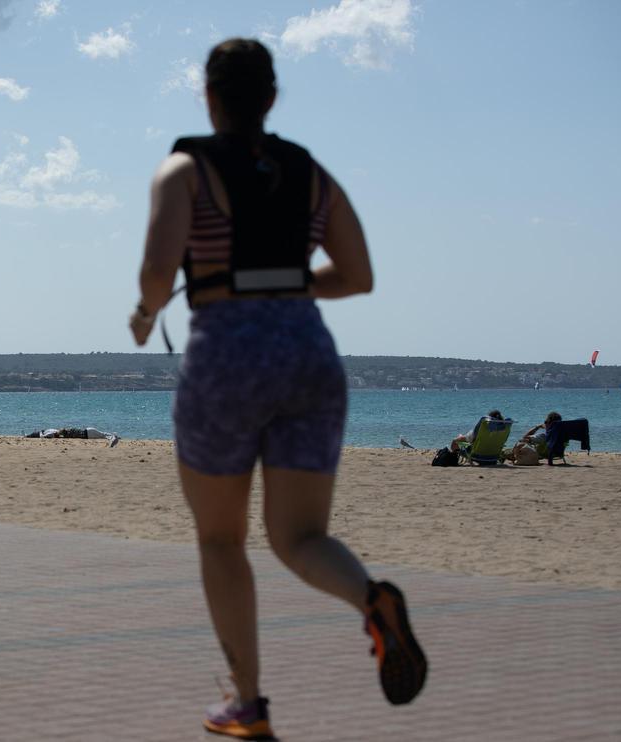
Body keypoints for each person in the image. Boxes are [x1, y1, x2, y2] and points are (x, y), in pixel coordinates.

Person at [129, 38, 425, 739]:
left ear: (209, 97)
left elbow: (157, 273)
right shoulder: (310, 175)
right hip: (308, 355)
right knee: (301, 536)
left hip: (227, 358)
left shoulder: (184, 169)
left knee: (220, 539)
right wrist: (285, 284)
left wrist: (146, 314)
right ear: (270, 98)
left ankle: (249, 704)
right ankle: (371, 599)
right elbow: (358, 276)